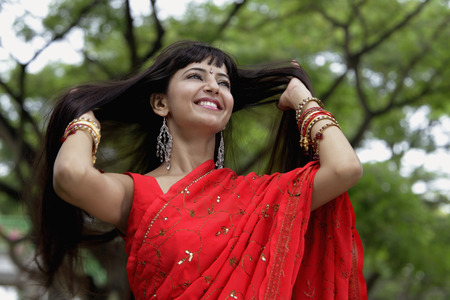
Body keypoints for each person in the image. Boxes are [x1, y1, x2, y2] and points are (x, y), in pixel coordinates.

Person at [29, 40, 367, 299]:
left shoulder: (260, 196)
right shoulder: (136, 193)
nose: (213, 86)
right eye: (196, 76)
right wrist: (85, 118)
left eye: (224, 82)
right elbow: (71, 176)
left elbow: (345, 167)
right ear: (161, 103)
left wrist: (301, 98)